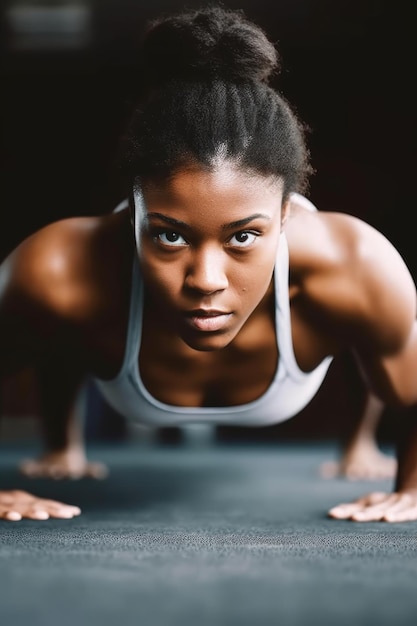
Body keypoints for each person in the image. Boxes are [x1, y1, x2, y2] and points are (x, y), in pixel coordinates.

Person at [1, 4, 417, 523]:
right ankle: (63, 442)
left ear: (285, 215)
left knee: (377, 329)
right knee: (63, 307)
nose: (206, 281)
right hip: (86, 318)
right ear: (135, 211)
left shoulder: (355, 263)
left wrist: (411, 488)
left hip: (341, 316)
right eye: (170, 236)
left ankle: (358, 441)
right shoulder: (57, 269)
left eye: (243, 236)